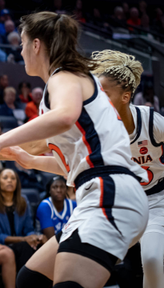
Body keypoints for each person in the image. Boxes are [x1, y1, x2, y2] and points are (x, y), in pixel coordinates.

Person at [0, 12, 149, 288]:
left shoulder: (63, 76)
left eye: (22, 42)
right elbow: (58, 154)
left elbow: (65, 115)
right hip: (104, 190)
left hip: (109, 194)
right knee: (31, 279)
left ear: (36, 45)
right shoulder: (64, 87)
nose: (19, 50)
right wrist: (12, 156)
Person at [92, 49, 164, 288]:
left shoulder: (152, 122)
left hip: (157, 199)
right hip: (124, 202)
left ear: (125, 97)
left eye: (104, 93)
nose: (98, 98)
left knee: (152, 259)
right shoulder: (101, 128)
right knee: (88, 257)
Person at [0, 169, 42, 271]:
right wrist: (24, 239)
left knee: (39, 246)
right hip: (1, 247)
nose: (10, 181)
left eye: (13, 178)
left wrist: (35, 237)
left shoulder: (23, 200)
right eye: (5, 178)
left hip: (22, 244)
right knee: (26, 247)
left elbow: (28, 229)